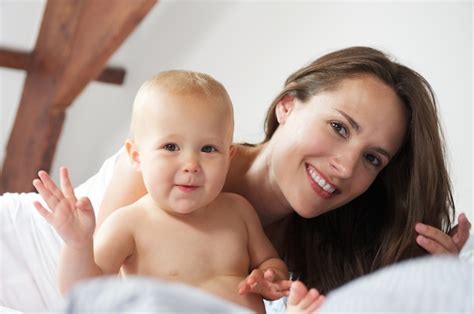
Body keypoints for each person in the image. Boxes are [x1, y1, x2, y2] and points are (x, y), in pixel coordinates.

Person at [1, 46, 471, 312]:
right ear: (288, 106)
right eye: (339, 127)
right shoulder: (168, 159)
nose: (346, 167)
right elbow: (93, 290)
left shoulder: (318, 246)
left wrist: (431, 277)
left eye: (373, 159)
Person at [32, 70, 292, 313]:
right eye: (170, 147)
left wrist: (270, 278)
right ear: (137, 156)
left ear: (229, 157)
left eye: (208, 149)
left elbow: (270, 262)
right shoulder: (130, 222)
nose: (191, 165)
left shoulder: (239, 211)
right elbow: (85, 291)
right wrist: (78, 244)